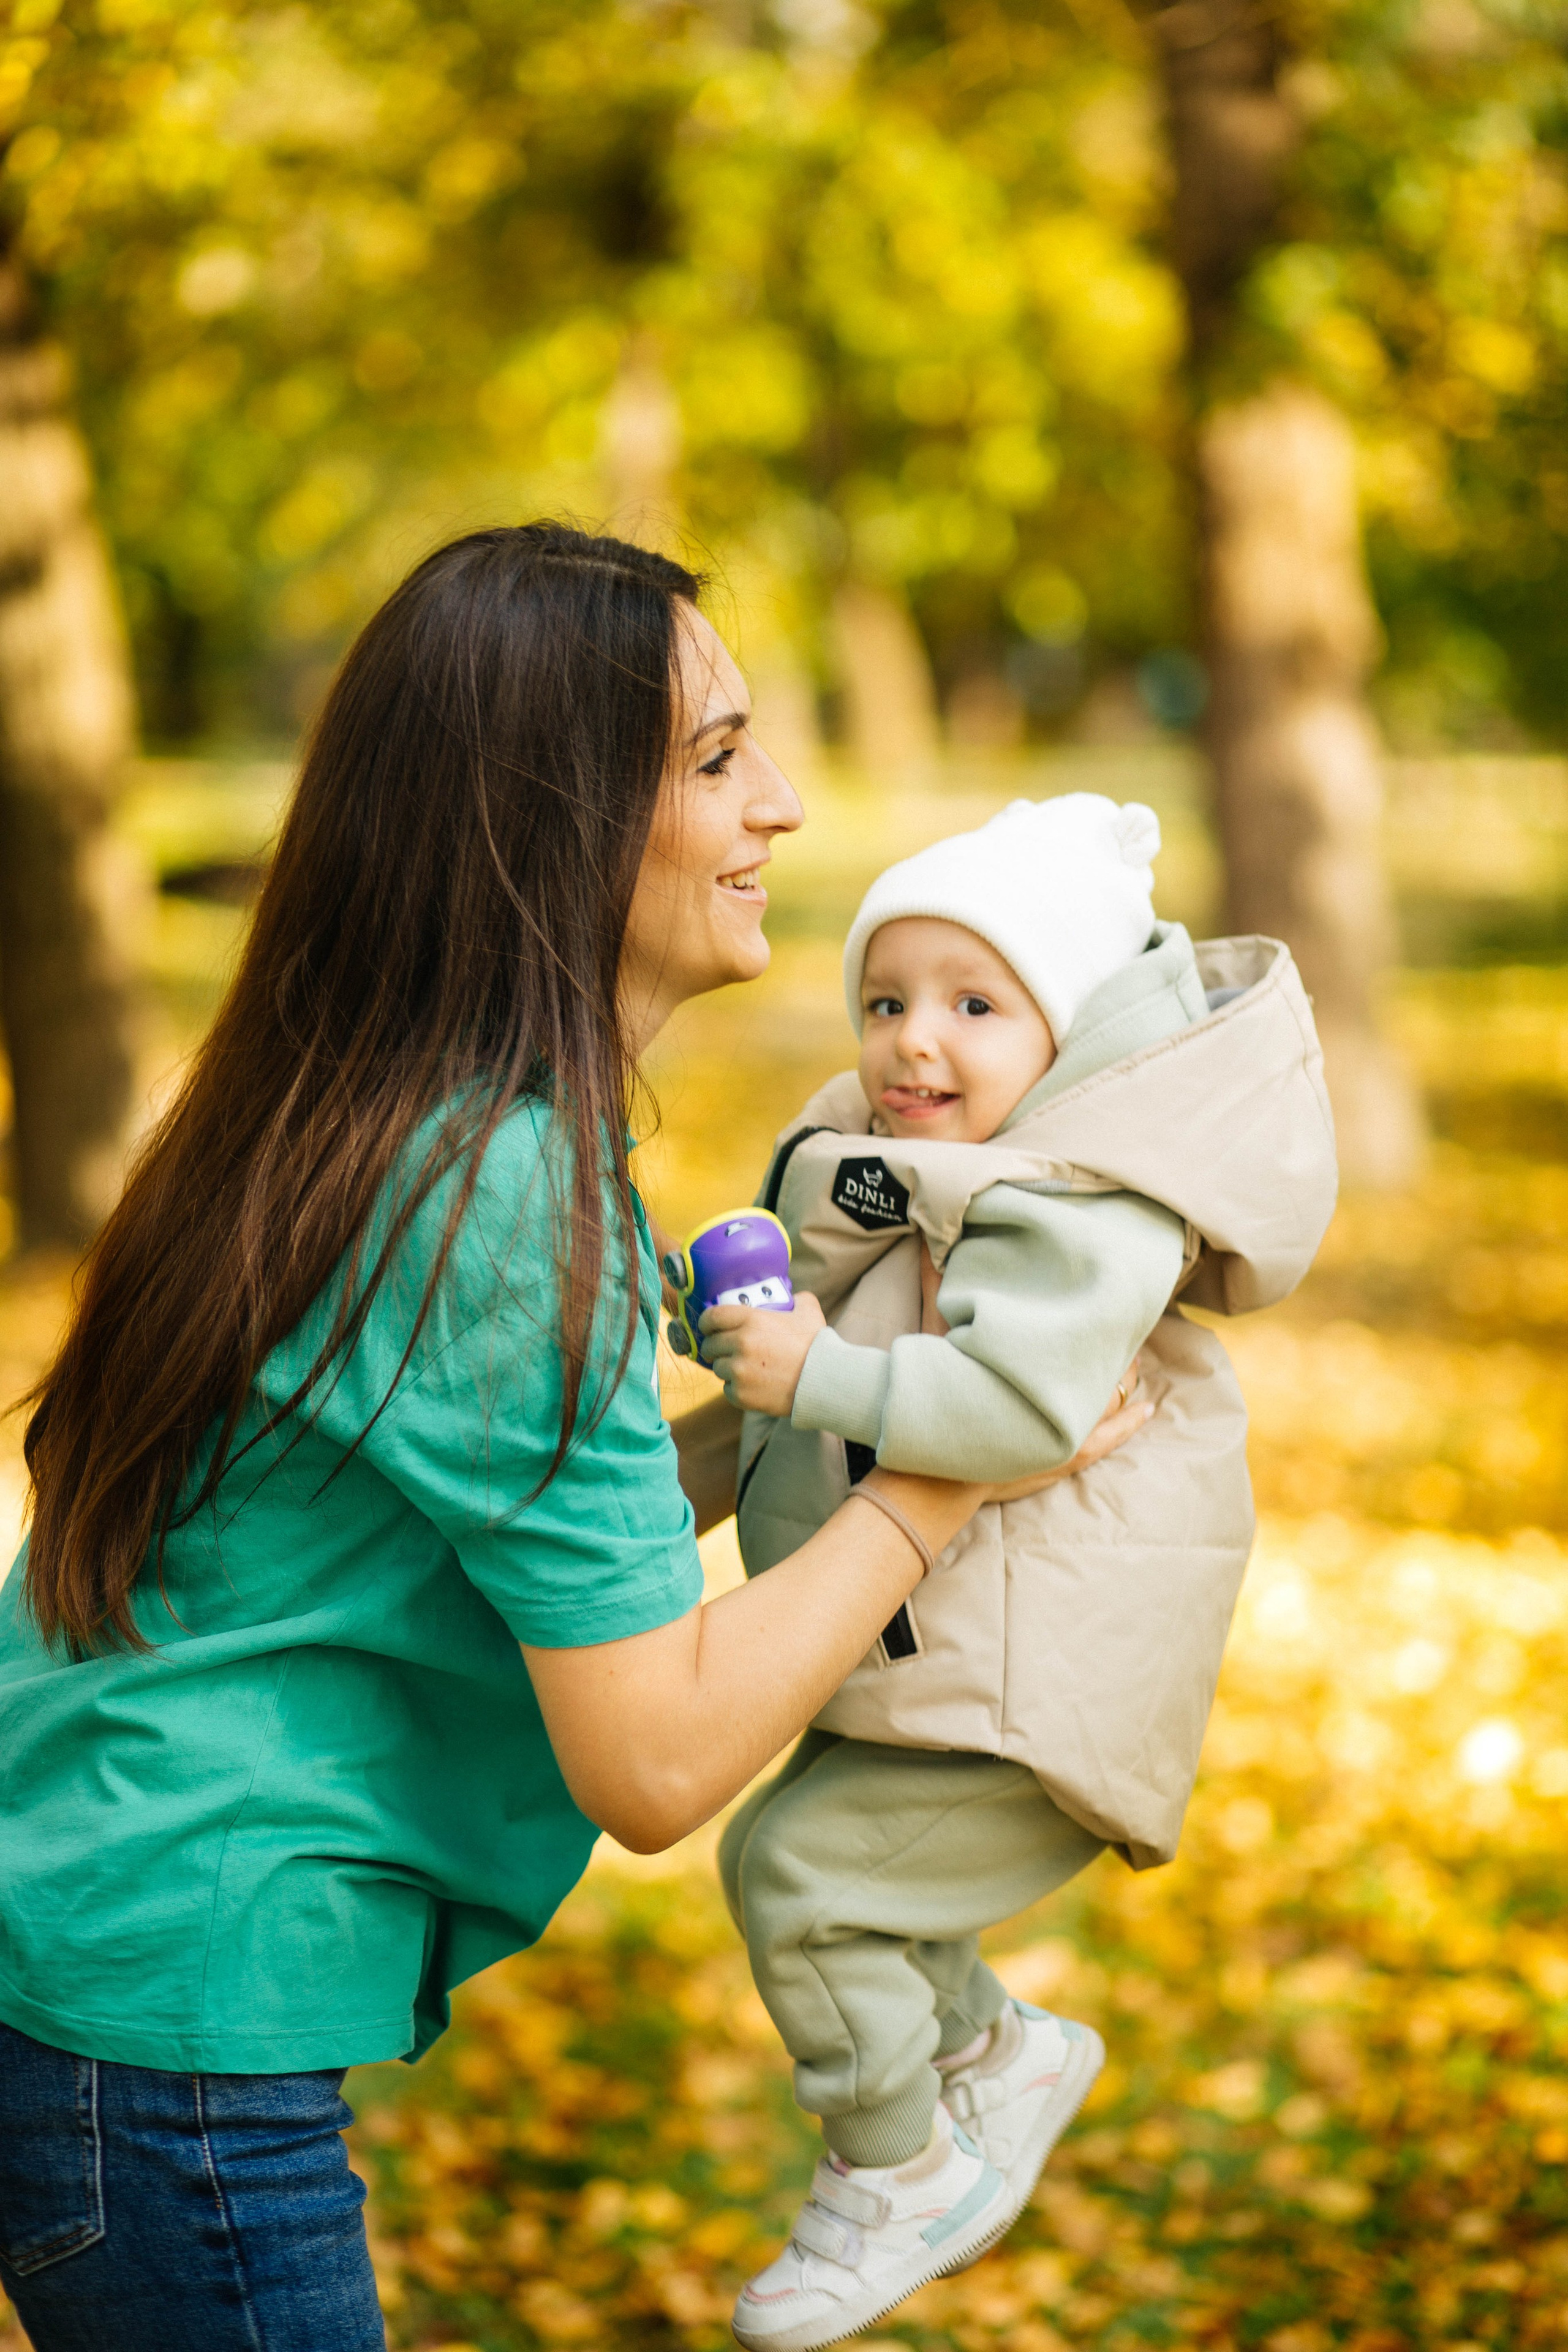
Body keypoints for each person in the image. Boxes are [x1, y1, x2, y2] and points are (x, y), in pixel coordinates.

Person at [0, 528, 1144, 2352]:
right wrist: (958, 1459)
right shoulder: (497, 1198)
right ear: (535, 818)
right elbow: (662, 1760)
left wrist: (827, 1418)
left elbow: (510, 1512)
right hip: (169, 2047)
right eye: (711, 761)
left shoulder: (378, 1111)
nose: (776, 803)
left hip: (99, 1952)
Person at [701, 793, 1338, 2352]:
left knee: (797, 1880)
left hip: (1040, 1685)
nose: (913, 1040)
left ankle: (898, 2167)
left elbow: (1012, 1409)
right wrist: (748, 1366)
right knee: (812, 1861)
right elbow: (830, 1394)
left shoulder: (1075, 1211)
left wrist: (814, 1379)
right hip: (962, 1659)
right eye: (885, 1000)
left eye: (973, 1006)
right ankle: (992, 2056)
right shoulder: (948, 1186)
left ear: (1062, 1038)